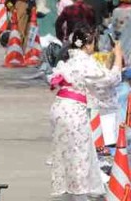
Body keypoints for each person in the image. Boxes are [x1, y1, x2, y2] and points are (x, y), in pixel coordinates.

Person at [49, 25, 124, 199]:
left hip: (60, 107)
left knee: (67, 154)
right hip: (73, 111)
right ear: (88, 45)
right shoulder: (85, 62)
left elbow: (97, 76)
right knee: (79, 155)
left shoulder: (70, 60)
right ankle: (79, 195)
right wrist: (118, 55)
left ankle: (71, 194)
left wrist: (111, 59)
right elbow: (110, 79)